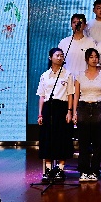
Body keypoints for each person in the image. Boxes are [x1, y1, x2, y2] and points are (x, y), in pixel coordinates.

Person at [36, 47, 74, 182]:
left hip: (62, 108)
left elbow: (70, 94)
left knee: (62, 138)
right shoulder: (45, 75)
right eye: (57, 55)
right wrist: (40, 114)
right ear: (50, 58)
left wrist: (69, 111)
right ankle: (47, 170)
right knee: (47, 139)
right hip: (48, 108)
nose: (60, 57)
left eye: (62, 55)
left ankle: (60, 169)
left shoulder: (68, 74)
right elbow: (42, 96)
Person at [72, 48, 101, 182]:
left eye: (96, 57)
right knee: (84, 142)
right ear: (86, 59)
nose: (94, 59)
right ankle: (84, 171)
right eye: (91, 57)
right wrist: (74, 112)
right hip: (83, 107)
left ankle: (94, 171)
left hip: (98, 107)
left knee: (98, 142)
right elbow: (76, 95)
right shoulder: (79, 75)